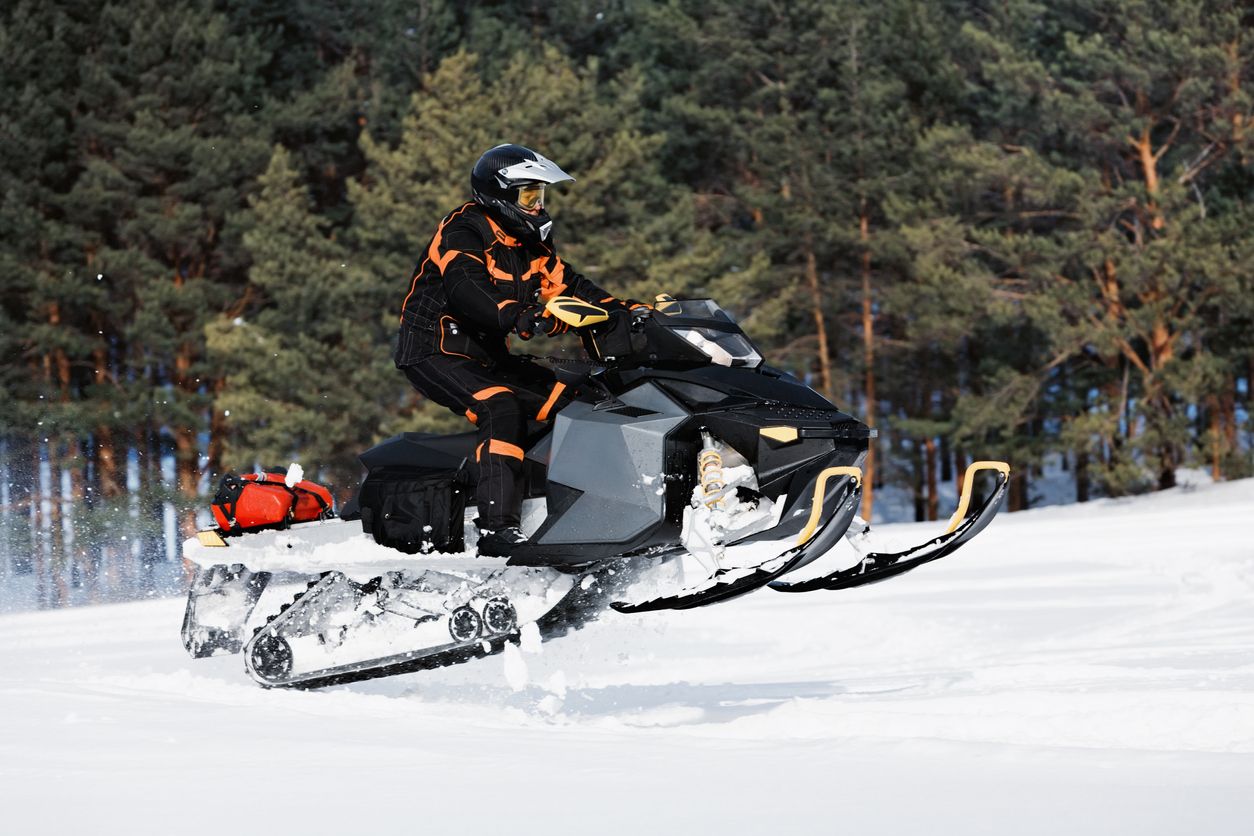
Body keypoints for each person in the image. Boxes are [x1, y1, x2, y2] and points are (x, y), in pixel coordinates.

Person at [394, 144, 638, 557]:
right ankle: (497, 531)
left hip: (488, 356)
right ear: (500, 194)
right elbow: (466, 287)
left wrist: (630, 311)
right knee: (500, 406)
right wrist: (522, 316)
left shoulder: (531, 244)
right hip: (434, 349)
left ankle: (596, 512)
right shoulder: (463, 228)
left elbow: (574, 287)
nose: (538, 205)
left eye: (541, 196)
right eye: (529, 195)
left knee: (580, 403)